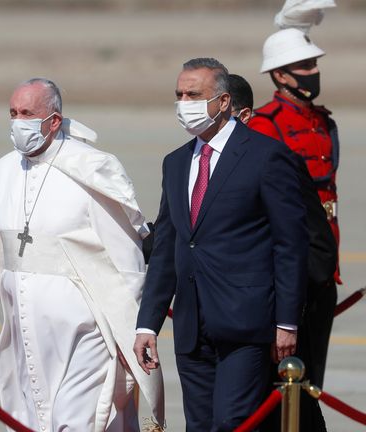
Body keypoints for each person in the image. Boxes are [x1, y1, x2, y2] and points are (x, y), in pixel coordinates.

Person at [0, 78, 164, 431]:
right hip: (23, 329)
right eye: (13, 113)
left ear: (54, 121)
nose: (17, 122)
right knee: (30, 417)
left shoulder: (92, 168)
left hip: (84, 331)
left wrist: (126, 329)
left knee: (76, 420)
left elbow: (127, 258)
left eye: (27, 113)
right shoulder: (3, 169)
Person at [134, 58, 308, 431]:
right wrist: (147, 324)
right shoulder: (176, 163)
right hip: (192, 327)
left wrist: (288, 322)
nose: (184, 103)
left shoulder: (265, 156)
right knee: (199, 425)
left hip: (247, 323)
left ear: (224, 101)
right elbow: (168, 247)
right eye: (179, 94)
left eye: (194, 94)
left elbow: (290, 245)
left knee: (232, 423)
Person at [229, 73, 337, 431]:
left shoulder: (274, 162)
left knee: (291, 410)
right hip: (218, 320)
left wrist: (292, 308)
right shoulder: (190, 164)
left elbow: (314, 243)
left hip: (274, 320)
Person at [248, 25, 340, 390]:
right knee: (284, 379)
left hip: (323, 262)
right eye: (303, 66)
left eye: (313, 63)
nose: (313, 72)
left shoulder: (323, 122)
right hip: (288, 266)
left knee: (312, 376)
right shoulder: (265, 124)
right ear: (280, 74)